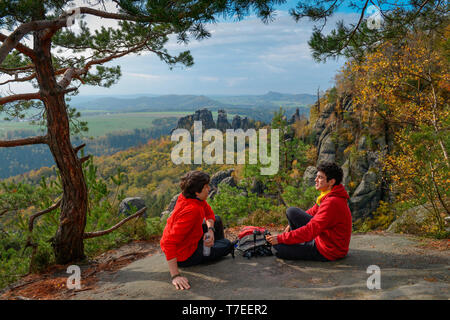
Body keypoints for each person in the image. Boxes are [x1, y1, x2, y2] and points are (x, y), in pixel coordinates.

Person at [160, 170, 234, 290]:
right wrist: (175, 276)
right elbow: (168, 242)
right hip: (185, 255)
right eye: (206, 187)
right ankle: (213, 248)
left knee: (217, 219)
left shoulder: (191, 197)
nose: (209, 189)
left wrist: (210, 231)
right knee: (227, 245)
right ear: (196, 192)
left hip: (190, 238)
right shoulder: (193, 210)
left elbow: (209, 214)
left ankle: (212, 245)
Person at [266, 162, 352, 261]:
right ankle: (296, 242)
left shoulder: (332, 202)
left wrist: (281, 238)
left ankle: (296, 243)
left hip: (329, 250)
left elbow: (310, 230)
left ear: (331, 182)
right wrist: (290, 226)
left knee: (277, 249)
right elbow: (312, 211)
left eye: (320, 177)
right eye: (316, 176)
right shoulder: (329, 195)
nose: (316, 180)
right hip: (324, 239)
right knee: (292, 212)